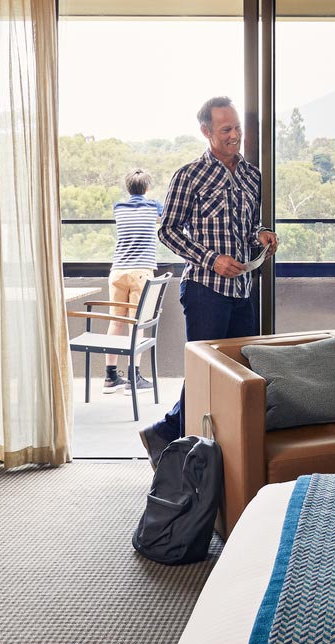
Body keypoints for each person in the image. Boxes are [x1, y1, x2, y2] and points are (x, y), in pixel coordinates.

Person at [141, 96, 277, 459]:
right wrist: (211, 259)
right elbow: (167, 231)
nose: (235, 136)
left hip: (242, 289)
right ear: (206, 132)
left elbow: (247, 227)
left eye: (237, 128)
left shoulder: (252, 175)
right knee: (206, 374)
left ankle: (172, 436)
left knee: (236, 371)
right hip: (204, 289)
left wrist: (261, 234)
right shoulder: (189, 176)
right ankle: (186, 451)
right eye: (226, 129)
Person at [104, 168, 163, 391]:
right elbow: (165, 218)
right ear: (146, 188)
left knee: (116, 323)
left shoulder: (118, 207)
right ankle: (134, 376)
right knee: (137, 325)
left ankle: (110, 377)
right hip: (141, 271)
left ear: (128, 188)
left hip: (117, 270)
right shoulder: (153, 206)